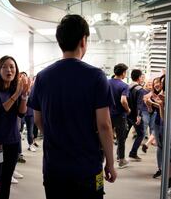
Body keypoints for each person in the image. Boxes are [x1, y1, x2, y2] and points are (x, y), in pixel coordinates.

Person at [28, 14, 117, 199]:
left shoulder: (42, 77)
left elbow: (37, 119)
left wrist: (57, 135)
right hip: (89, 167)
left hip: (54, 167)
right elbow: (104, 125)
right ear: (83, 40)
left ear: (60, 41)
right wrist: (110, 162)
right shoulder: (96, 76)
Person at [0, 55, 30, 199]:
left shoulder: (15, 88)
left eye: (12, 67)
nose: (9, 70)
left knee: (6, 181)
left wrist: (24, 96)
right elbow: (0, 111)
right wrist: (16, 94)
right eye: (5, 66)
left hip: (13, 141)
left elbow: (21, 114)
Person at [107, 63, 131, 168]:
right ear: (123, 73)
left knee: (106, 137)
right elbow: (123, 100)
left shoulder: (106, 83)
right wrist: (128, 109)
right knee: (121, 138)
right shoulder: (124, 86)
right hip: (119, 115)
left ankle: (104, 160)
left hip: (107, 114)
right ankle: (121, 160)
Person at [126, 69, 145, 161]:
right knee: (141, 134)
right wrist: (139, 116)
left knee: (124, 135)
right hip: (134, 116)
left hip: (127, 114)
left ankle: (119, 155)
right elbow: (139, 104)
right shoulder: (140, 89)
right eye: (141, 76)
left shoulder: (127, 87)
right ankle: (133, 153)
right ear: (139, 77)